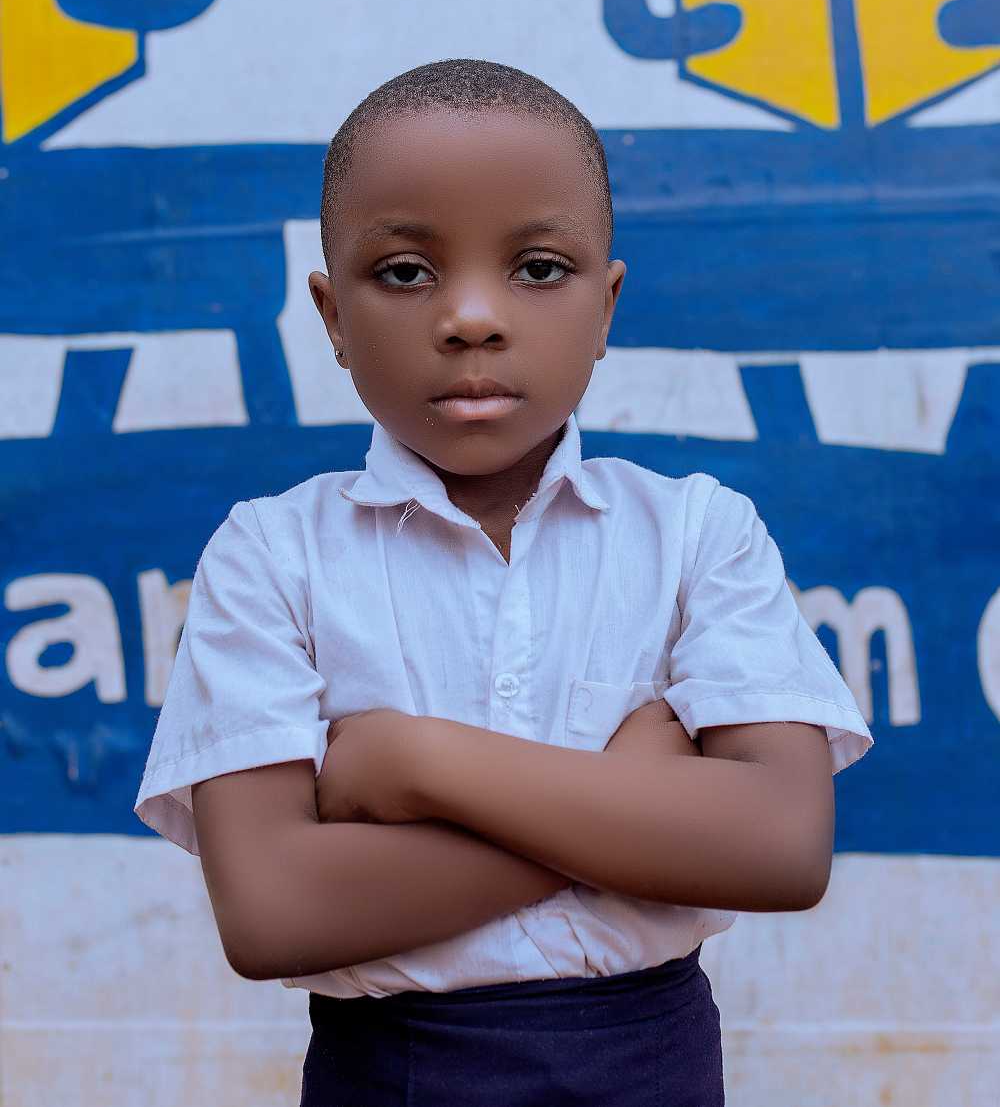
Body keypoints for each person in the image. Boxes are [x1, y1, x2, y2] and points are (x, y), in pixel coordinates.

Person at [133, 58, 874, 1105]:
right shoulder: (272, 555)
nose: (472, 317)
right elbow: (272, 913)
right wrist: (629, 805)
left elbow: (781, 848)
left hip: (652, 1067)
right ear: (332, 316)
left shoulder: (696, 533)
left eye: (536, 267)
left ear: (606, 306)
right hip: (393, 1074)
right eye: (404, 272)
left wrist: (417, 762)